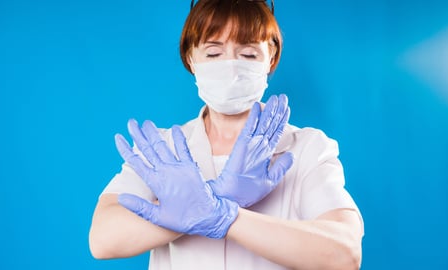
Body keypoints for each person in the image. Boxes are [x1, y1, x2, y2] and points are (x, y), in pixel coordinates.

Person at [89, 0, 364, 269]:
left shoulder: (306, 148)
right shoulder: (163, 149)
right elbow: (103, 240)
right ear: (190, 58)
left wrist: (223, 215)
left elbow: (344, 254)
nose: (231, 67)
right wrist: (214, 197)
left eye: (248, 54)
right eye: (213, 53)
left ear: (271, 59)